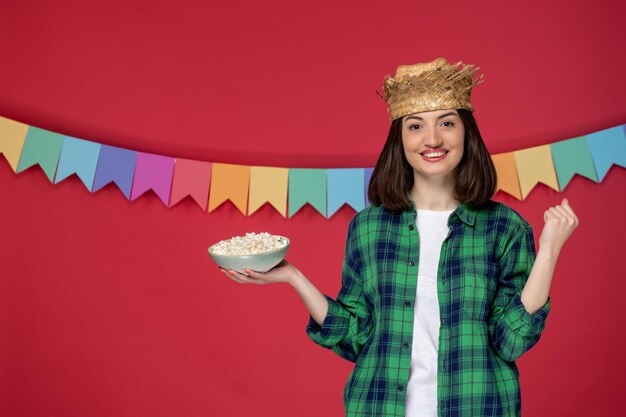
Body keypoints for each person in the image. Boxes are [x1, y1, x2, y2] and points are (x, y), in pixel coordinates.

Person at [220, 57, 579, 417]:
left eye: (447, 123)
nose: (433, 139)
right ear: (400, 139)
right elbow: (355, 336)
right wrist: (293, 277)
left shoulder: (504, 228)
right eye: (416, 126)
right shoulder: (368, 227)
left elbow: (511, 340)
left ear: (466, 133)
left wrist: (548, 252)